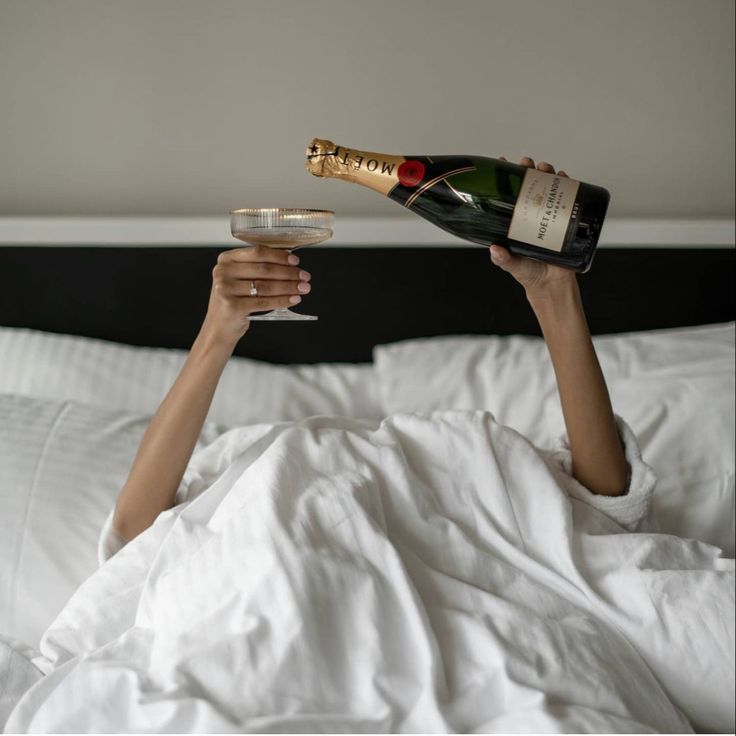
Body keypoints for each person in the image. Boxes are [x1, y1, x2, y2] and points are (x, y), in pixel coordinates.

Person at [109, 157, 631, 549]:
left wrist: (553, 290)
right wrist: (217, 331)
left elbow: (607, 506)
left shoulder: (483, 467)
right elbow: (134, 534)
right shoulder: (239, 473)